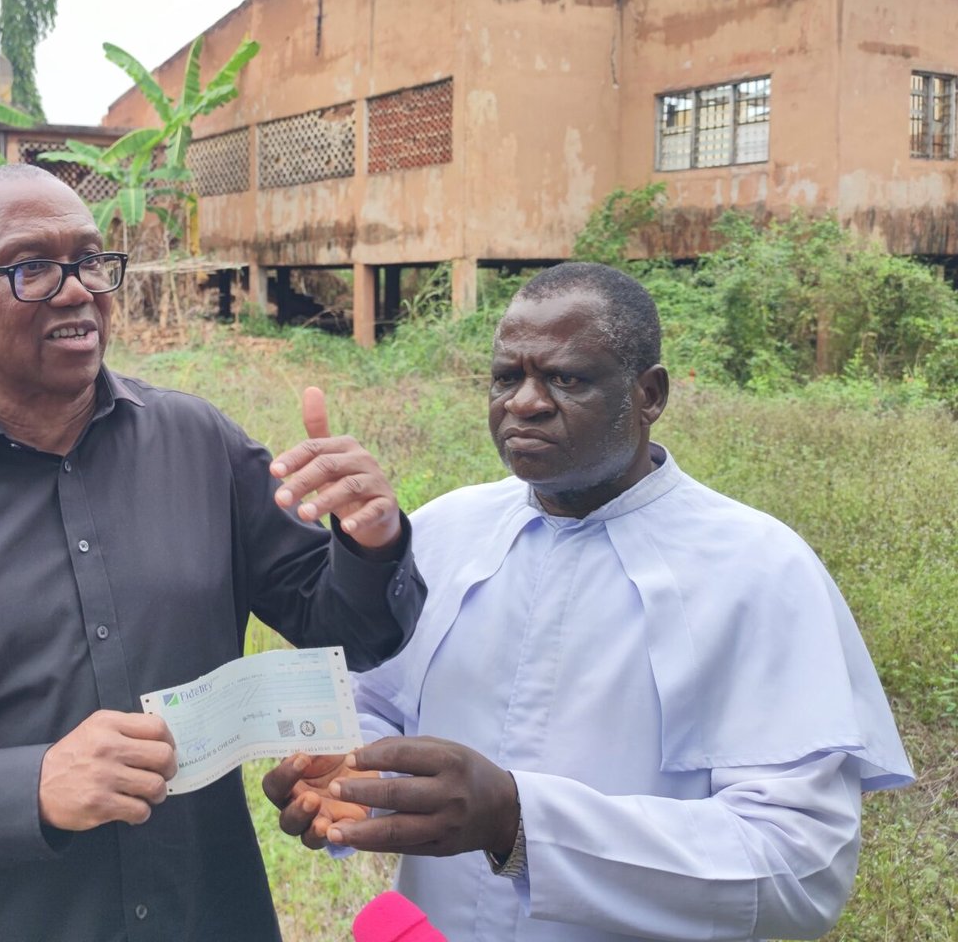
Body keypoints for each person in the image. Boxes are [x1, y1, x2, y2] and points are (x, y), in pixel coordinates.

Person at [0, 164, 426, 942]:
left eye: (88, 259)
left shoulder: (201, 447)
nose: (77, 289)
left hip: (204, 917)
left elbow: (353, 631)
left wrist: (370, 540)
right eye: (31, 267)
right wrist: (26, 787)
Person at [264, 262, 914, 941]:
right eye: (506, 377)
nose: (525, 402)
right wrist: (349, 779)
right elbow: (373, 707)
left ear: (649, 394)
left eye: (567, 379)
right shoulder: (445, 531)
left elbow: (799, 870)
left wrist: (519, 821)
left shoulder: (758, 569)